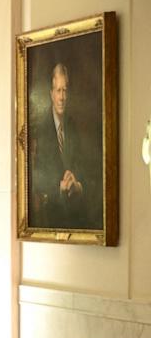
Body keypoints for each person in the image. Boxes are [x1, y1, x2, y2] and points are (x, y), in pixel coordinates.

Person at [29, 62, 101, 229]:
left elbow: (83, 165)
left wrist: (77, 184)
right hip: (50, 216)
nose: (62, 97)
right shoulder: (40, 129)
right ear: (51, 94)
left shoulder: (72, 125)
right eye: (58, 91)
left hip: (75, 212)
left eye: (65, 90)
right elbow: (35, 178)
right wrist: (58, 187)